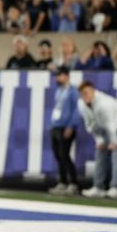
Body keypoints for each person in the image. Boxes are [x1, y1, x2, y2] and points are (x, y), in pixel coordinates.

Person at [77, 81, 117, 200]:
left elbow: (110, 123)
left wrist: (114, 141)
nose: (85, 96)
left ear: (93, 90)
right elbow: (89, 124)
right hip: (105, 128)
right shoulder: (81, 104)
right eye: (83, 94)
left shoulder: (104, 103)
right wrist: (99, 140)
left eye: (87, 93)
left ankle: (115, 188)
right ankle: (98, 187)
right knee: (100, 153)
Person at [48, 66, 81, 195]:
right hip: (56, 125)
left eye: (59, 75)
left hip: (65, 126)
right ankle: (62, 182)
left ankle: (73, 183)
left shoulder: (73, 91)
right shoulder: (59, 90)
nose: (57, 78)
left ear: (66, 75)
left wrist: (71, 125)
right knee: (58, 155)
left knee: (65, 154)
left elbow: (76, 109)